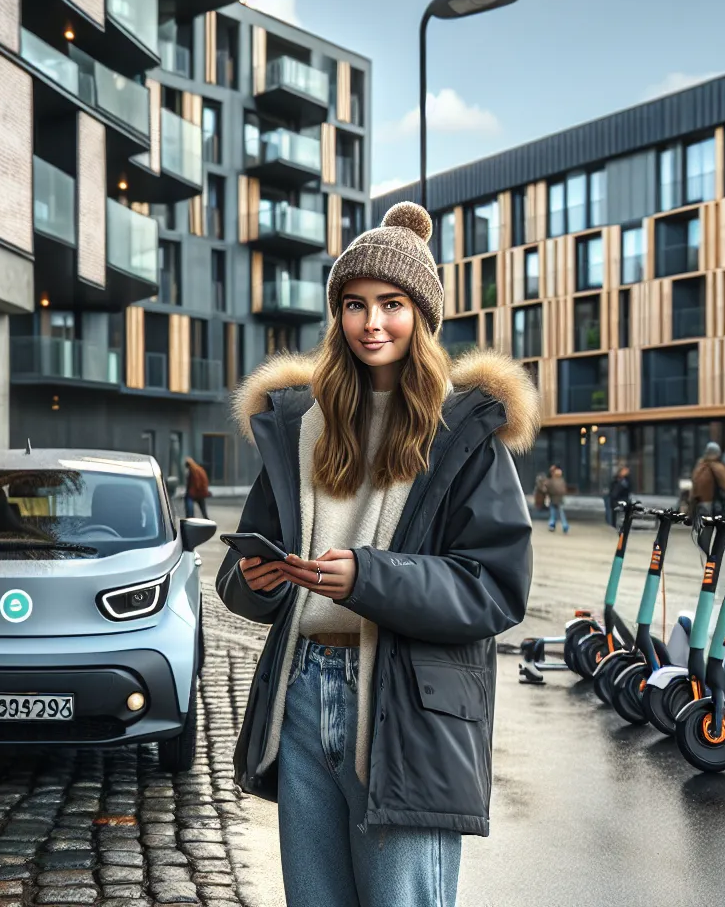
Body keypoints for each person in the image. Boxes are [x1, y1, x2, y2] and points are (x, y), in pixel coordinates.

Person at [216, 202, 537, 907]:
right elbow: (239, 582)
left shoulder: (465, 434)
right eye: (354, 305)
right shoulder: (296, 425)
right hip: (302, 696)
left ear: (420, 315)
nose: (371, 323)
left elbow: (494, 589)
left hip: (407, 706)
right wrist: (260, 581)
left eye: (391, 304)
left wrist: (370, 577)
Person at [690, 442, 725, 520]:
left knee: (700, 527)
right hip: (712, 502)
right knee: (711, 526)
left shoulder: (700, 465)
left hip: (698, 501)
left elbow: (693, 483)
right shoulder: (718, 467)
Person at [606, 462, 633, 526]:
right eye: (624, 470)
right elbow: (612, 490)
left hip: (622, 500)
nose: (626, 472)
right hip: (615, 501)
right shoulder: (616, 480)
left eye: (627, 470)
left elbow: (628, 489)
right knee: (613, 517)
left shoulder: (626, 481)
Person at [546, 464, 570, 533]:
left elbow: (549, 489)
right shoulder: (559, 480)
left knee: (554, 513)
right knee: (559, 513)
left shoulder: (552, 480)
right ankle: (563, 526)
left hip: (555, 499)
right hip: (557, 499)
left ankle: (553, 525)